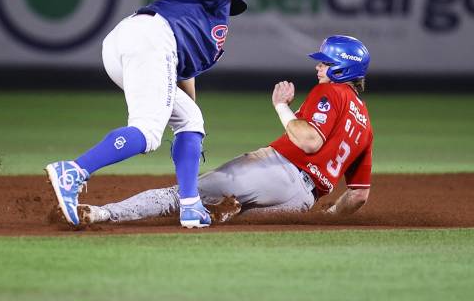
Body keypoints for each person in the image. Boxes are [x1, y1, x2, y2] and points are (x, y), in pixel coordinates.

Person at [76, 35, 373, 226]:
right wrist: (328, 216)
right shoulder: (366, 126)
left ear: (342, 69)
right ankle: (227, 209)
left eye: (325, 62)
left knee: (182, 196)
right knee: (228, 215)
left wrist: (282, 106)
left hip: (276, 170)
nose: (318, 67)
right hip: (303, 201)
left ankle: (102, 213)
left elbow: (308, 141)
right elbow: (359, 195)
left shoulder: (332, 93)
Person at [45, 0, 248, 228]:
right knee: (148, 132)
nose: (229, 8)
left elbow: (181, 78)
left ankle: (190, 206)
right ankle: (75, 171)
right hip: (151, 38)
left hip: (129, 44)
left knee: (191, 118)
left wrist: (188, 129)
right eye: (228, 3)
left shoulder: (206, 42)